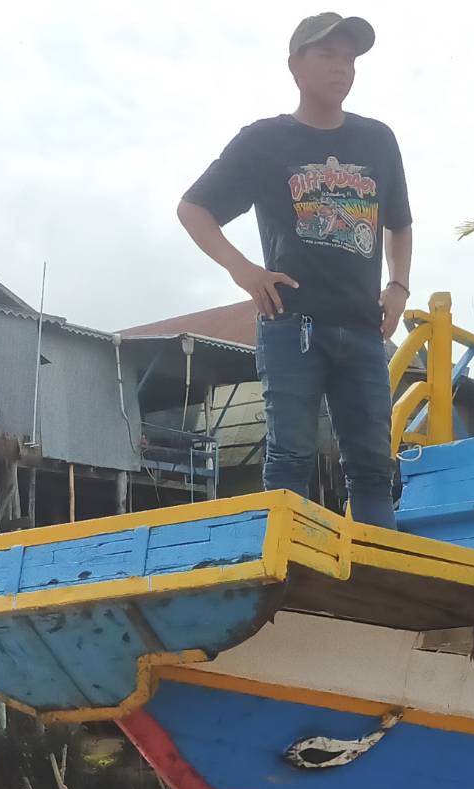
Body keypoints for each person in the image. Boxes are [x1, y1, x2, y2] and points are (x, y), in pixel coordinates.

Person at [176, 12, 413, 529]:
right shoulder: (265, 140)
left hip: (364, 327)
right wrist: (244, 271)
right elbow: (193, 208)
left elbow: (399, 222)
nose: (342, 67)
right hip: (292, 325)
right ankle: (286, 569)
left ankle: (375, 573)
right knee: (290, 458)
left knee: (373, 468)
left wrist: (398, 285)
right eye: (327, 55)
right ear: (295, 66)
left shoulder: (377, 140)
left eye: (349, 59)